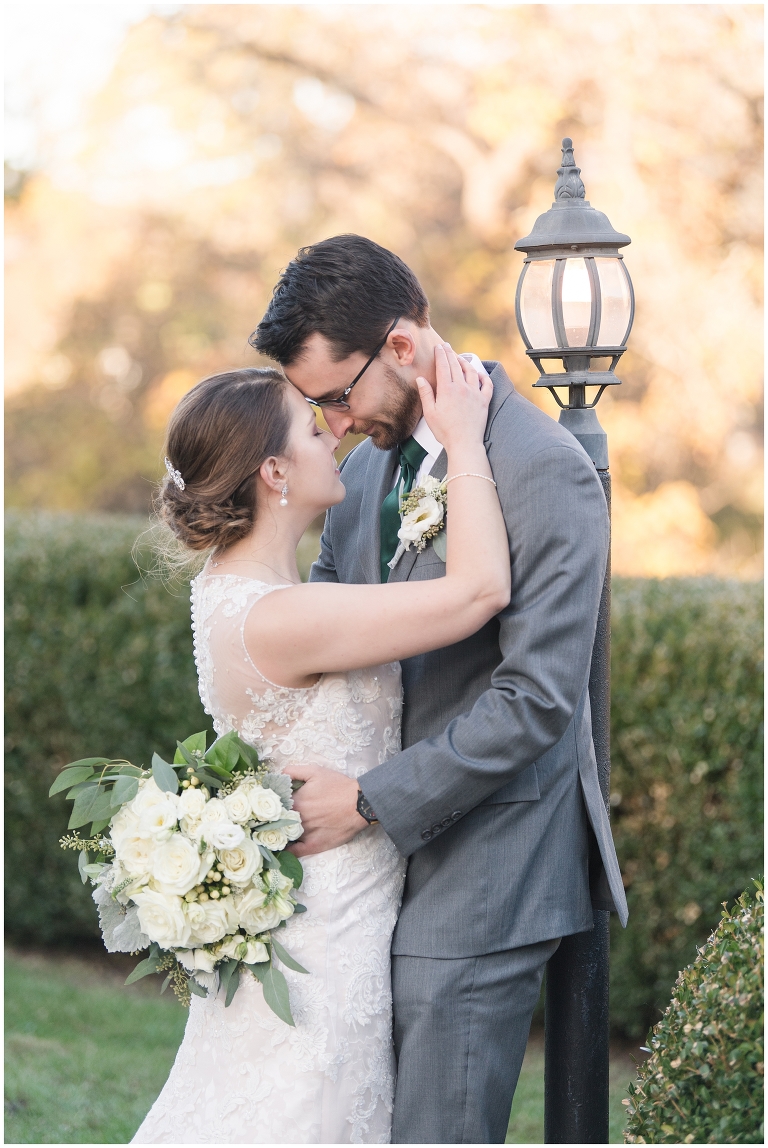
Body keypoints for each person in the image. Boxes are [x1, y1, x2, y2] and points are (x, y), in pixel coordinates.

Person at [250, 234, 628, 1144]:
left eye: (336, 396)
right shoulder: (374, 462)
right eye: (314, 407)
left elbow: (537, 699)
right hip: (371, 860)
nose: (331, 423)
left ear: (404, 348)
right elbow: (338, 621)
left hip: (488, 857)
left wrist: (372, 801)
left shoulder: (543, 468)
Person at [132, 346, 510, 1144]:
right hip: (325, 939)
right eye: (311, 428)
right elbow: (479, 592)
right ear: (274, 473)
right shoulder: (282, 618)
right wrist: (466, 441)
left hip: (327, 918)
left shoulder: (239, 594)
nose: (332, 434)